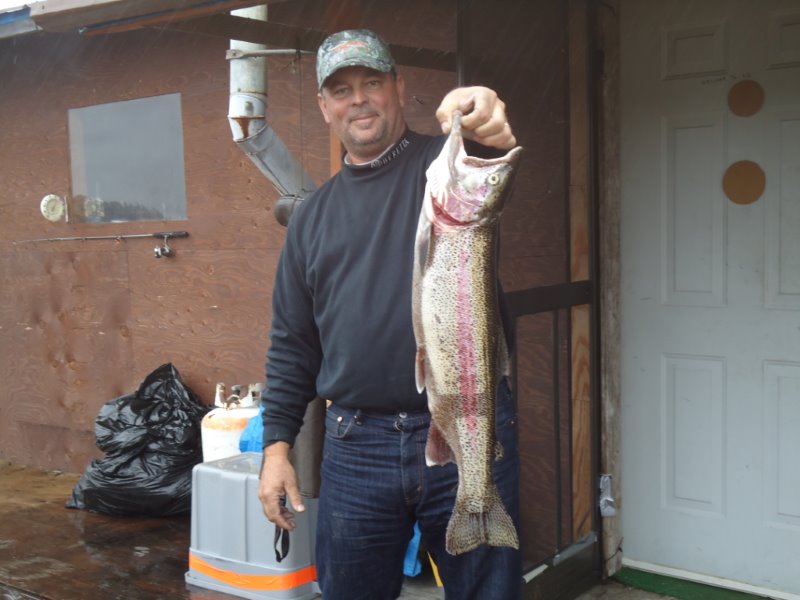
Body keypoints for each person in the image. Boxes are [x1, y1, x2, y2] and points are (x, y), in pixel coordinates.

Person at [258, 28, 521, 600]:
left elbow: (486, 144)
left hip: (467, 424)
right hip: (355, 446)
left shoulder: (446, 170)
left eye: (372, 82)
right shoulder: (310, 218)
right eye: (342, 89)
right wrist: (276, 449)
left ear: (399, 89)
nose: (359, 99)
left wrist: (480, 111)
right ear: (324, 106)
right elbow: (292, 343)